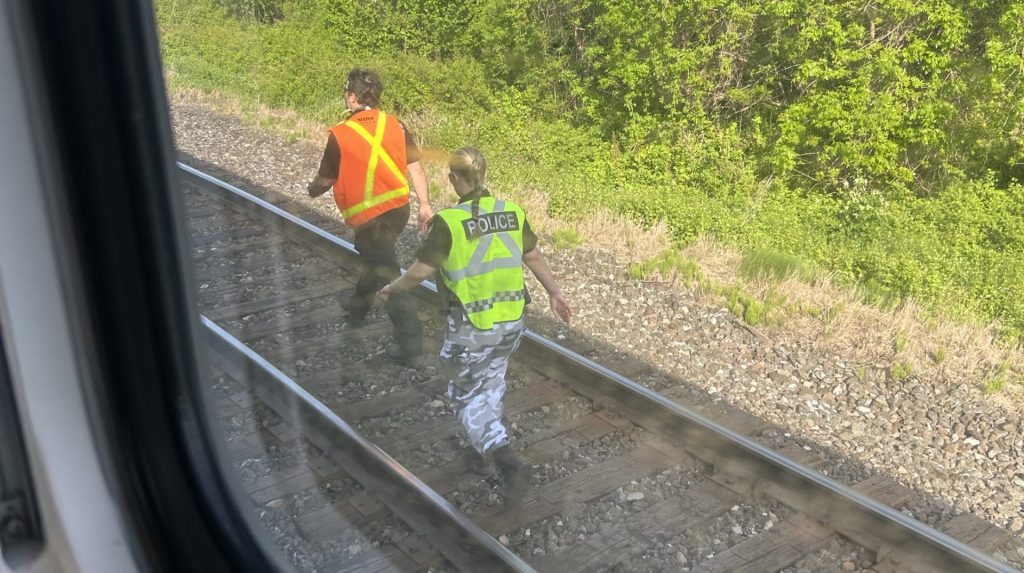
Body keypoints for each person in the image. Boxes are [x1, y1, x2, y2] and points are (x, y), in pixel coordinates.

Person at [378, 147, 572, 498]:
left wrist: (392, 288)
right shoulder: (512, 212)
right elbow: (533, 255)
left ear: (454, 179)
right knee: (491, 382)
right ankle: (479, 451)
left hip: (472, 326)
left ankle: (506, 459)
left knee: (464, 394)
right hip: (511, 322)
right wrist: (555, 293)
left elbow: (422, 270)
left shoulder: (449, 222)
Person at [307, 68, 432, 367]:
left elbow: (325, 179)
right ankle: (357, 306)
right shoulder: (396, 125)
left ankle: (411, 345)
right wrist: (425, 205)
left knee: (387, 273)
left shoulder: (341, 133)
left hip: (368, 219)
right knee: (379, 260)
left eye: (346, 94)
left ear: (352, 97)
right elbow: (415, 169)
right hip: (397, 212)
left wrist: (311, 191)